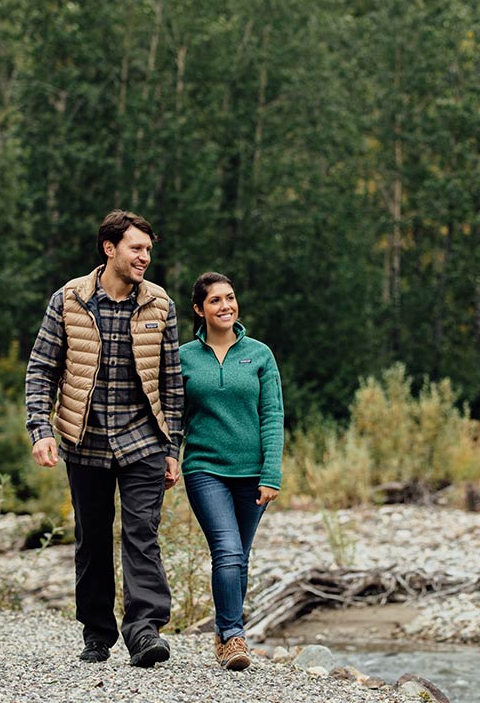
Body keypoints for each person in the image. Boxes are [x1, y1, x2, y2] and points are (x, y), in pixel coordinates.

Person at [25, 210, 184, 668]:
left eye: (148, 250)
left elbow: (172, 385)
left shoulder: (160, 304)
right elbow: (41, 369)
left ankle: (144, 631)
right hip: (84, 440)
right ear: (109, 248)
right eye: (137, 248)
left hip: (143, 442)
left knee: (141, 535)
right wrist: (41, 429)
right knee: (92, 540)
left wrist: (171, 448)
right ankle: (97, 634)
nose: (145, 258)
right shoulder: (69, 299)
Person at [179, 271, 284, 671]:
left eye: (230, 298)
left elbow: (273, 415)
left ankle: (225, 637)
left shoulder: (259, 354)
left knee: (239, 557)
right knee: (225, 548)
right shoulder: (184, 357)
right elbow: (176, 416)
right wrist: (172, 457)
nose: (225, 306)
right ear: (199, 309)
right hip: (205, 467)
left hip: (252, 471)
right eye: (215, 301)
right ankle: (233, 634)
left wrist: (270, 473)